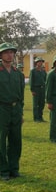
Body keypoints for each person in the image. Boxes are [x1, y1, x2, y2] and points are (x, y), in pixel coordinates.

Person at [0, 42, 25, 181]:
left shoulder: (18, 74)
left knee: (16, 140)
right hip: (1, 109)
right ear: (1, 55)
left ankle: (14, 168)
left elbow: (21, 96)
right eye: (6, 52)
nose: (10, 55)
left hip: (15, 109)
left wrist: (21, 112)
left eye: (12, 52)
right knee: (1, 141)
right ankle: (3, 170)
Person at [29, 57, 47, 122]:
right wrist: (32, 90)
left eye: (41, 62)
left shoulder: (43, 71)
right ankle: (36, 118)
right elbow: (31, 81)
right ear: (36, 63)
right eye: (39, 62)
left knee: (42, 103)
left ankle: (40, 117)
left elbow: (46, 80)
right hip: (36, 89)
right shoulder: (33, 71)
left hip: (42, 89)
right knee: (36, 104)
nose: (40, 63)